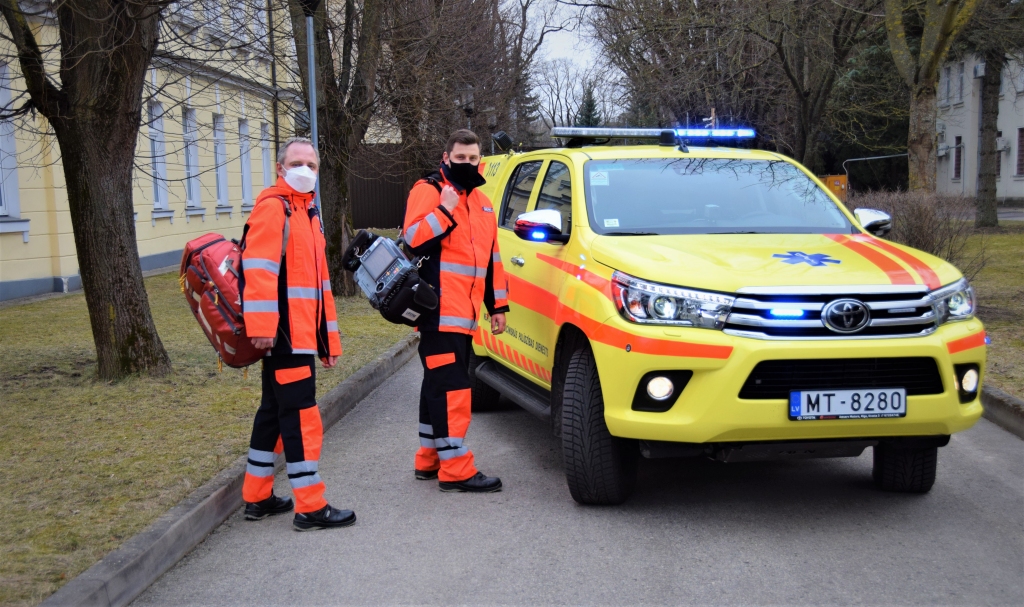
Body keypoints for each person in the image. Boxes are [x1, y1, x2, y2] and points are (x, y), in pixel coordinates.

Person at [239, 137, 354, 530]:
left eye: (312, 164)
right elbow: (258, 271)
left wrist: (327, 341)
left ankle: (257, 497)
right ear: (280, 168)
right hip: (283, 335)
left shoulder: (308, 212)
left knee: (272, 413)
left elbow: (319, 286)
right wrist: (261, 328)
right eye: (297, 162)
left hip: (297, 335)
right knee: (302, 417)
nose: (305, 169)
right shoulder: (275, 208)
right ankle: (311, 507)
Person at [403, 129, 510, 492]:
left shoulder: (482, 200)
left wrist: (497, 305)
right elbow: (413, 239)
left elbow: (491, 257)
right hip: (436, 312)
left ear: (480, 159)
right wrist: (445, 208)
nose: (467, 163)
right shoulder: (429, 190)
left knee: (437, 382)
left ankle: (430, 459)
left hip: (463, 316)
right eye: (460, 158)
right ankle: (456, 469)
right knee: (452, 387)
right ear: (446, 157)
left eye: (473, 158)